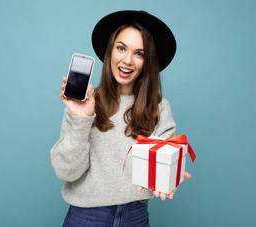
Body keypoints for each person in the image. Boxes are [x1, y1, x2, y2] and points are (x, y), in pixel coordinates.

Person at [51, 10, 192, 226]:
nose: (127, 60)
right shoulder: (83, 103)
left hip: (135, 216)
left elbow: (163, 166)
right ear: (110, 51)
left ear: (148, 61)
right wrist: (82, 119)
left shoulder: (159, 108)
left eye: (139, 53)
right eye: (121, 48)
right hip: (86, 218)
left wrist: (168, 177)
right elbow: (66, 172)